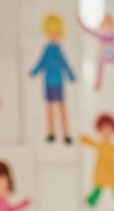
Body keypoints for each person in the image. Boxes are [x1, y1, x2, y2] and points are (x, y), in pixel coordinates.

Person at [28, 13, 76, 144]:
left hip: (58, 82)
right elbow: (42, 62)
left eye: (56, 33)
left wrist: (70, 74)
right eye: (51, 32)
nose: (53, 35)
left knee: (61, 107)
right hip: (48, 82)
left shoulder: (58, 50)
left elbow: (64, 63)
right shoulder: (47, 49)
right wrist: (34, 71)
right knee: (49, 108)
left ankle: (66, 133)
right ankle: (51, 132)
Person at [80, 113, 114, 210]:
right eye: (103, 129)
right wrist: (83, 138)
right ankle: (91, 200)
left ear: (113, 131)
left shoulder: (112, 146)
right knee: (99, 186)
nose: (106, 132)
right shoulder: (99, 145)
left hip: (112, 170)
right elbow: (90, 142)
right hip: (101, 169)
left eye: (109, 129)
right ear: (99, 130)